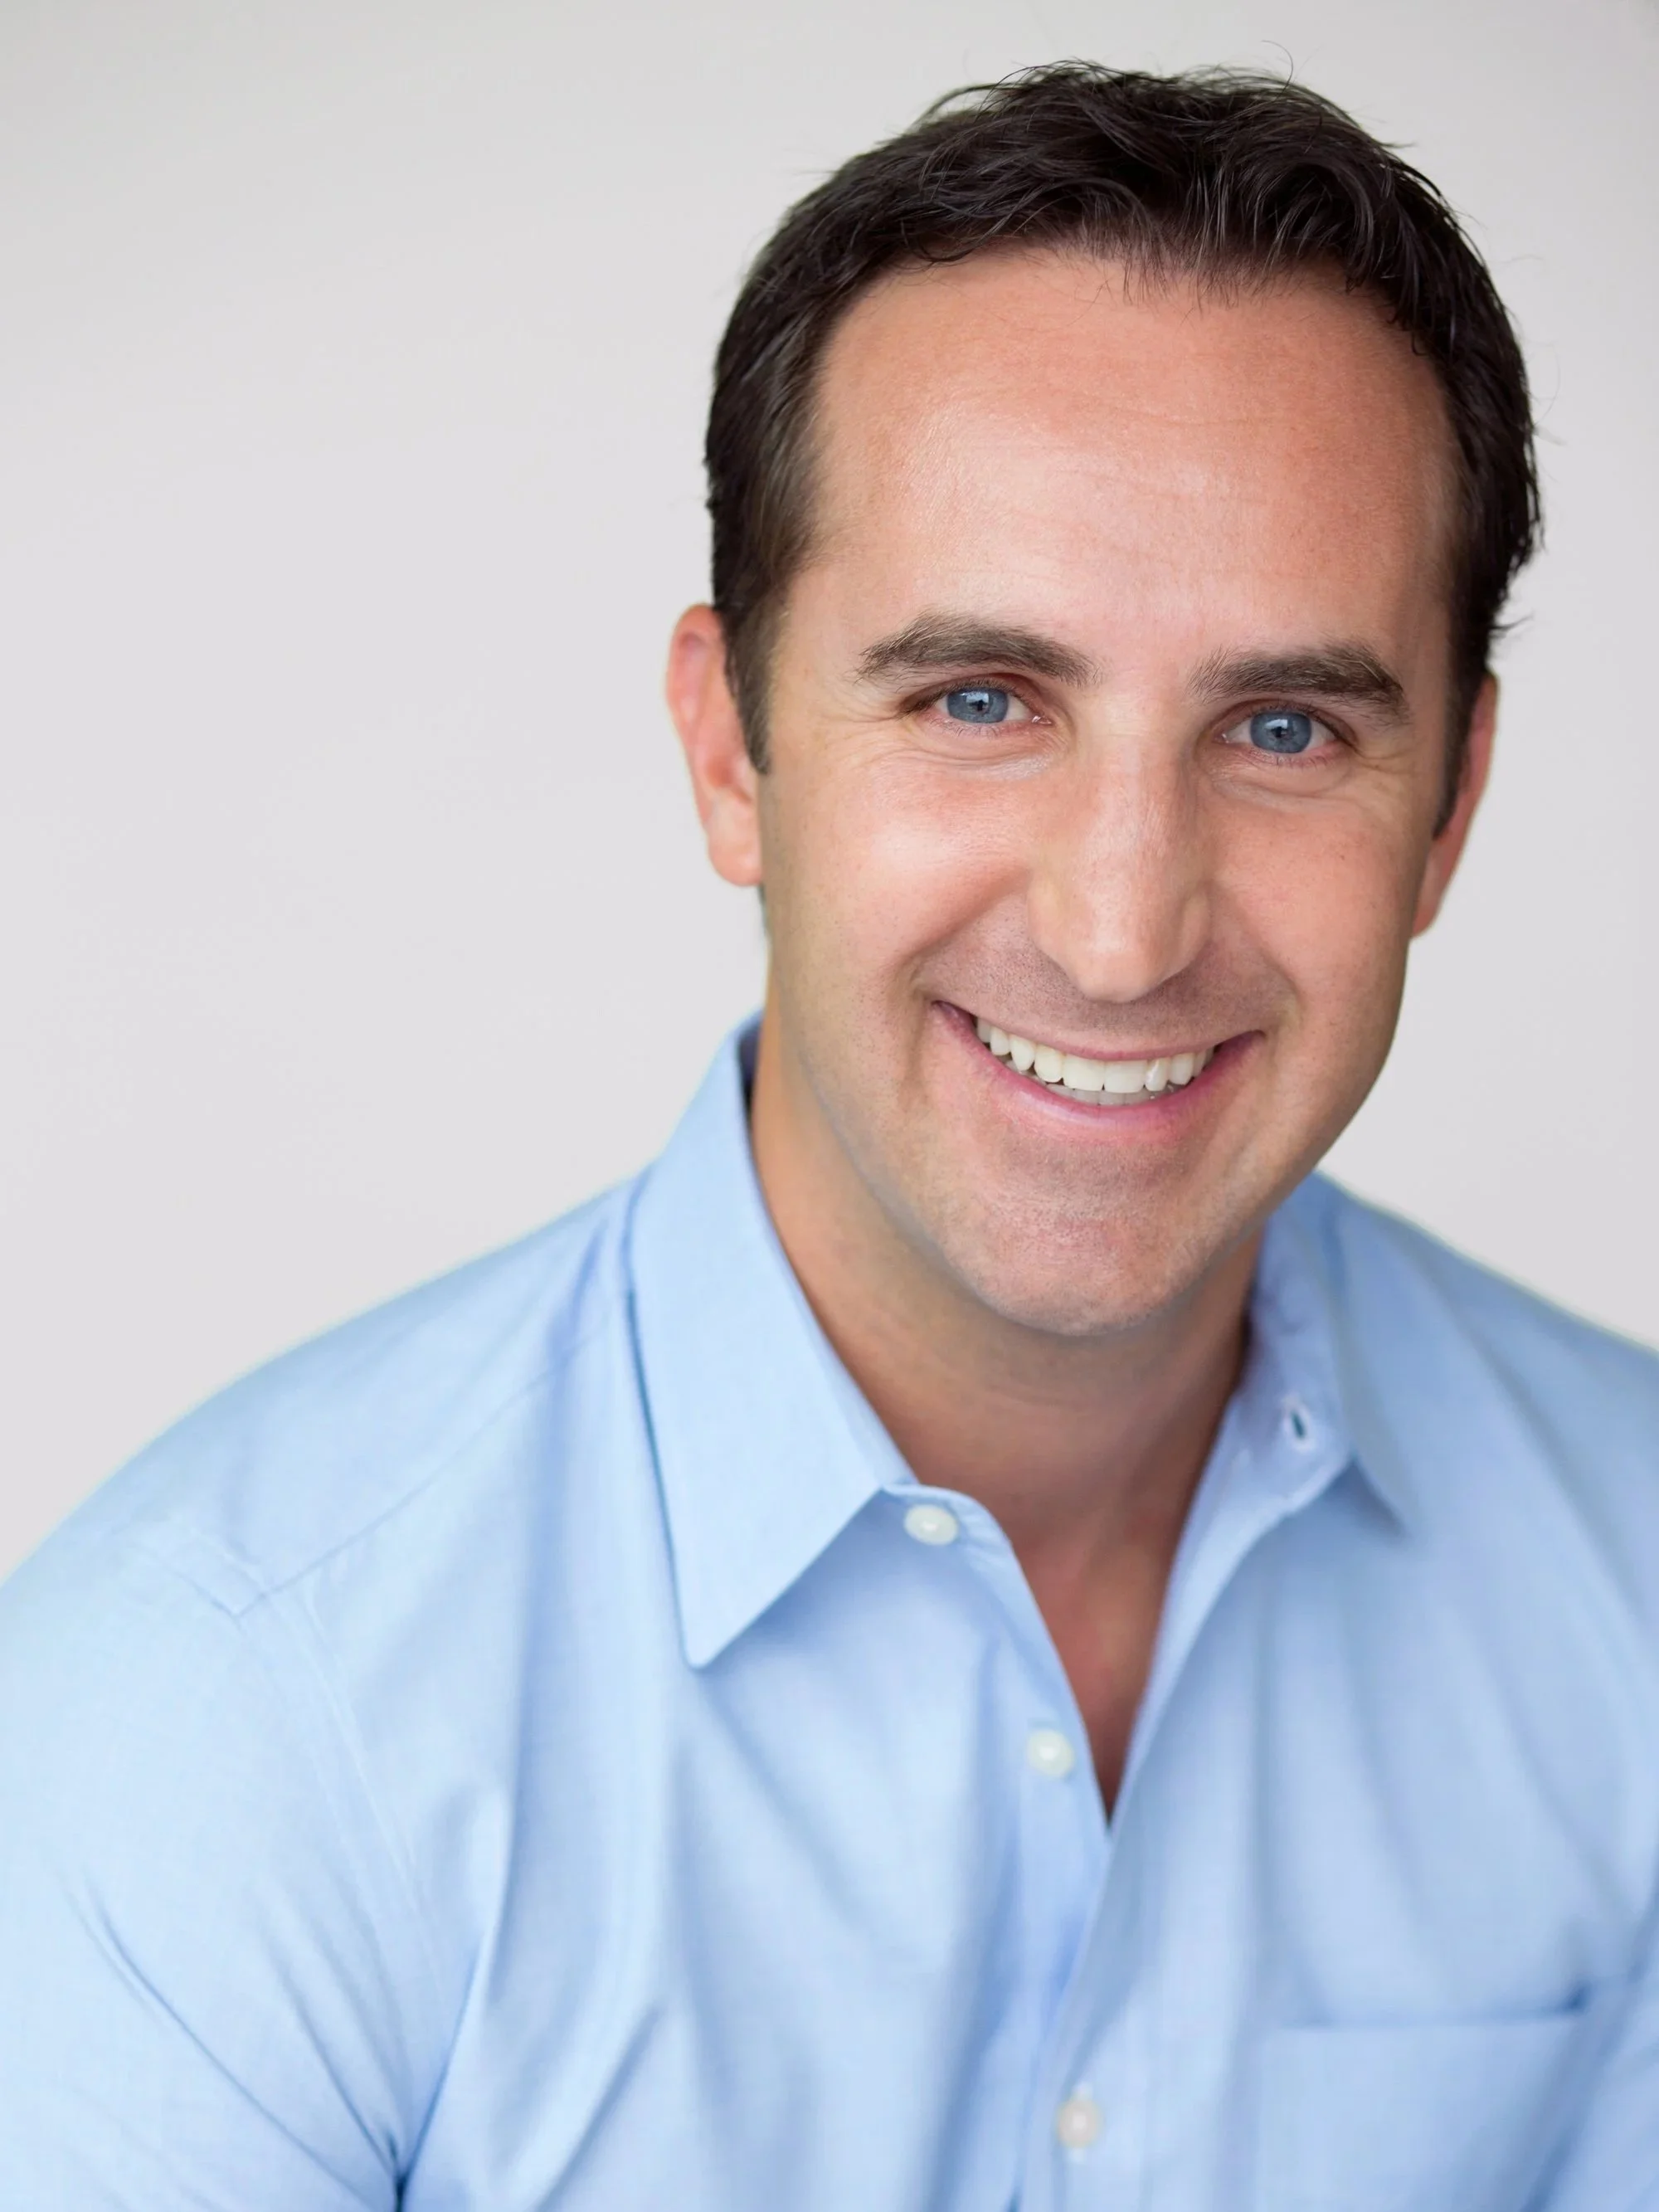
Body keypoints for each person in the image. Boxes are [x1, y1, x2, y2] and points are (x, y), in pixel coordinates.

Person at [2, 61, 1657, 2211]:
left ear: (1448, 807)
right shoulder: (212, 1726)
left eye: (1281, 727)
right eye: (980, 701)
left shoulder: (1631, 1575)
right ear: (729, 748)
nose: (1124, 924)